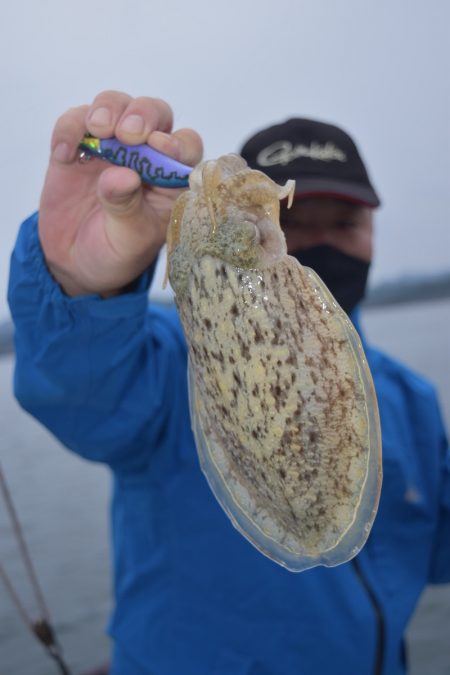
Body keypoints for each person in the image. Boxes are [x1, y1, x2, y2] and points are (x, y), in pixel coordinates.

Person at [8, 91, 450, 675]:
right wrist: (80, 287)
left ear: (372, 229)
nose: (323, 240)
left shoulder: (412, 401)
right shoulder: (164, 362)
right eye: (295, 219)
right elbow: (83, 397)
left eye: (345, 223)